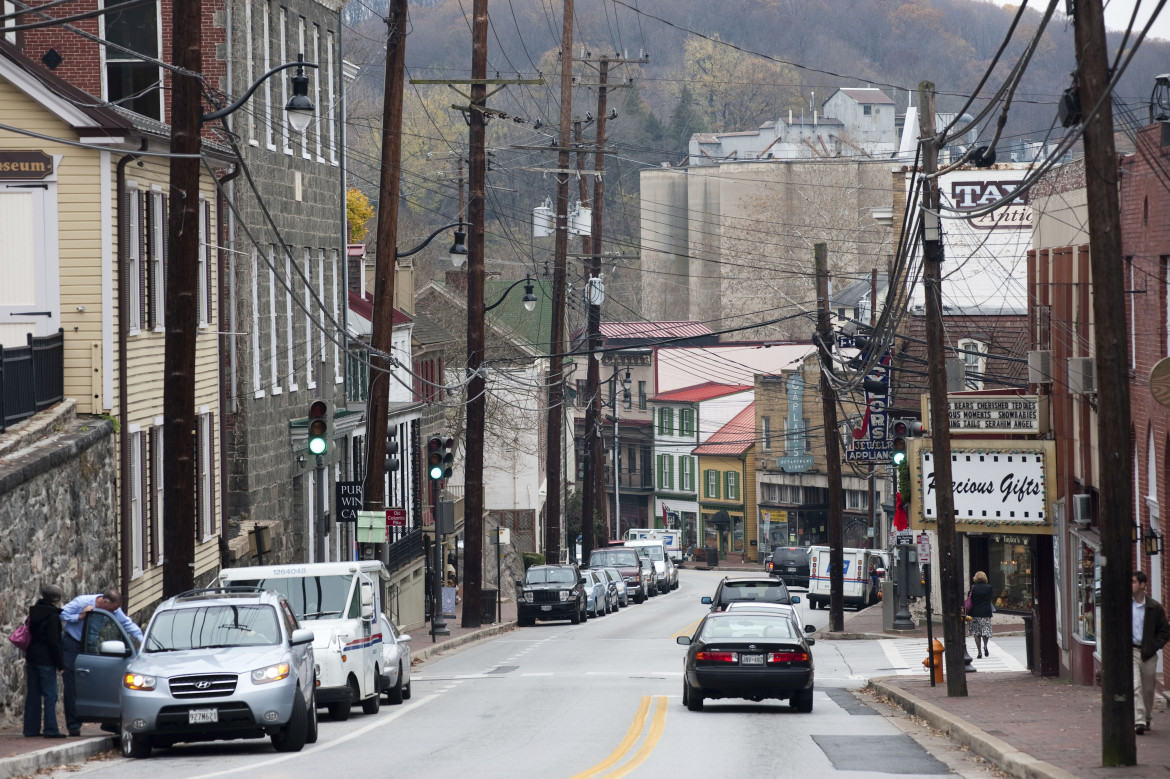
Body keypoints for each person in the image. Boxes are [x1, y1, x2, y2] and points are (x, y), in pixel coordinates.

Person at [60, 589, 143, 737]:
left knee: (100, 679)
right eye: (112, 609)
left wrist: (143, 642)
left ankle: (108, 719)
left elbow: (127, 624)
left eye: (115, 610)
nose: (114, 612)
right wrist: (80, 616)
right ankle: (73, 725)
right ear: (104, 602)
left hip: (90, 646)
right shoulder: (82, 602)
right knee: (72, 686)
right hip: (72, 644)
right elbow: (61, 613)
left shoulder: (113, 610)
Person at [22, 584, 65, 739]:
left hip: (32, 657)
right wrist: (60, 664)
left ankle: (30, 729)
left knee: (32, 695)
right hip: (46, 660)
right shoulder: (53, 616)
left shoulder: (34, 612)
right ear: (56, 599)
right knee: (50, 695)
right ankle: (51, 729)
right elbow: (54, 642)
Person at [1132, 570, 1170, 734]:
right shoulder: (1125, 606)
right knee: (1136, 686)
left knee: (1148, 689)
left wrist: (1154, 646)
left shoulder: (1154, 607)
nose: (1130, 585)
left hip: (1148, 653)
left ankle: (1147, 717)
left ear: (1142, 585)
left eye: (1133, 582)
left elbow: (1165, 631)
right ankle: (1138, 721)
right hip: (1131, 651)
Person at [967, 571, 995, 659]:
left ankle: (979, 651)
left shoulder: (973, 588)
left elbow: (970, 598)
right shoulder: (989, 587)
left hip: (975, 613)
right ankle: (985, 646)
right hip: (986, 612)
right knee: (985, 631)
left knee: (976, 632)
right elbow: (990, 597)